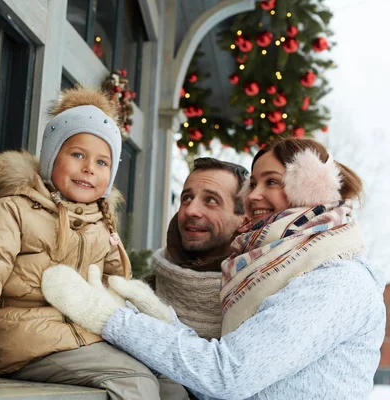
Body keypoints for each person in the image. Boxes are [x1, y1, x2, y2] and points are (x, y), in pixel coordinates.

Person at [43, 137, 385, 399]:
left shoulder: (334, 280)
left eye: (272, 182)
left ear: (311, 188)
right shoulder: (268, 267)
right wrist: (162, 320)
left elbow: (228, 375)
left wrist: (109, 318)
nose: (252, 196)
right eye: (254, 183)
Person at [0, 86, 189, 399]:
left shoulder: (101, 222)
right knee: (136, 383)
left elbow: (114, 286)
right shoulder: (16, 209)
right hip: (26, 344)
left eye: (102, 162)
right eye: (78, 154)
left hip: (87, 339)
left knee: (174, 385)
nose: (88, 168)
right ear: (53, 156)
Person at [147, 158, 249, 339]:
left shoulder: (261, 295)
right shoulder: (145, 288)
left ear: (244, 220)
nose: (190, 210)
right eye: (187, 198)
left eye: (211, 200)